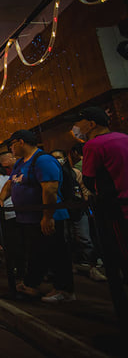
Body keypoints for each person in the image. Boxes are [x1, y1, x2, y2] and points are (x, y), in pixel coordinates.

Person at [0, 130, 74, 303]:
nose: (11, 149)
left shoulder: (43, 160)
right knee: (37, 253)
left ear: (21, 142)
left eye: (12, 144)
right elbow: (9, 184)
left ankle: (64, 290)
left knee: (56, 253)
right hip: (28, 219)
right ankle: (31, 285)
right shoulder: (21, 163)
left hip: (48, 218)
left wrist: (47, 216)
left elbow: (50, 189)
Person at [70, 106, 128, 331]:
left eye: (81, 122)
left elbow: (90, 180)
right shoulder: (123, 137)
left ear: (91, 124)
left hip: (115, 210)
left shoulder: (93, 145)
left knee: (118, 260)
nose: (77, 127)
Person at [50, 149, 105, 281]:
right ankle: (71, 265)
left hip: (78, 210)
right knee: (66, 239)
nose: (58, 160)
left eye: (60, 157)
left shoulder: (75, 173)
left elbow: (83, 188)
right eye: (55, 158)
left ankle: (93, 267)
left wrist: (87, 201)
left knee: (85, 238)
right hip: (61, 211)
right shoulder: (52, 174)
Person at [0, 161, 23, 279]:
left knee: (9, 244)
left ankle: (14, 271)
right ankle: (22, 268)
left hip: (4, 215)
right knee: (21, 242)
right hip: (19, 213)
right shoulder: (10, 178)